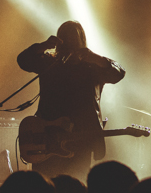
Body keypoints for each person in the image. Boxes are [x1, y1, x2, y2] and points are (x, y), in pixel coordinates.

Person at [17, 21, 125, 181]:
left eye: (73, 38)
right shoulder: (50, 63)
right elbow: (23, 60)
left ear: (81, 40)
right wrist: (44, 45)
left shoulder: (92, 67)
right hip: (49, 137)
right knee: (46, 185)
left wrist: (95, 58)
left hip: (80, 138)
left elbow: (118, 73)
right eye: (65, 38)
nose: (70, 43)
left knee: (76, 184)